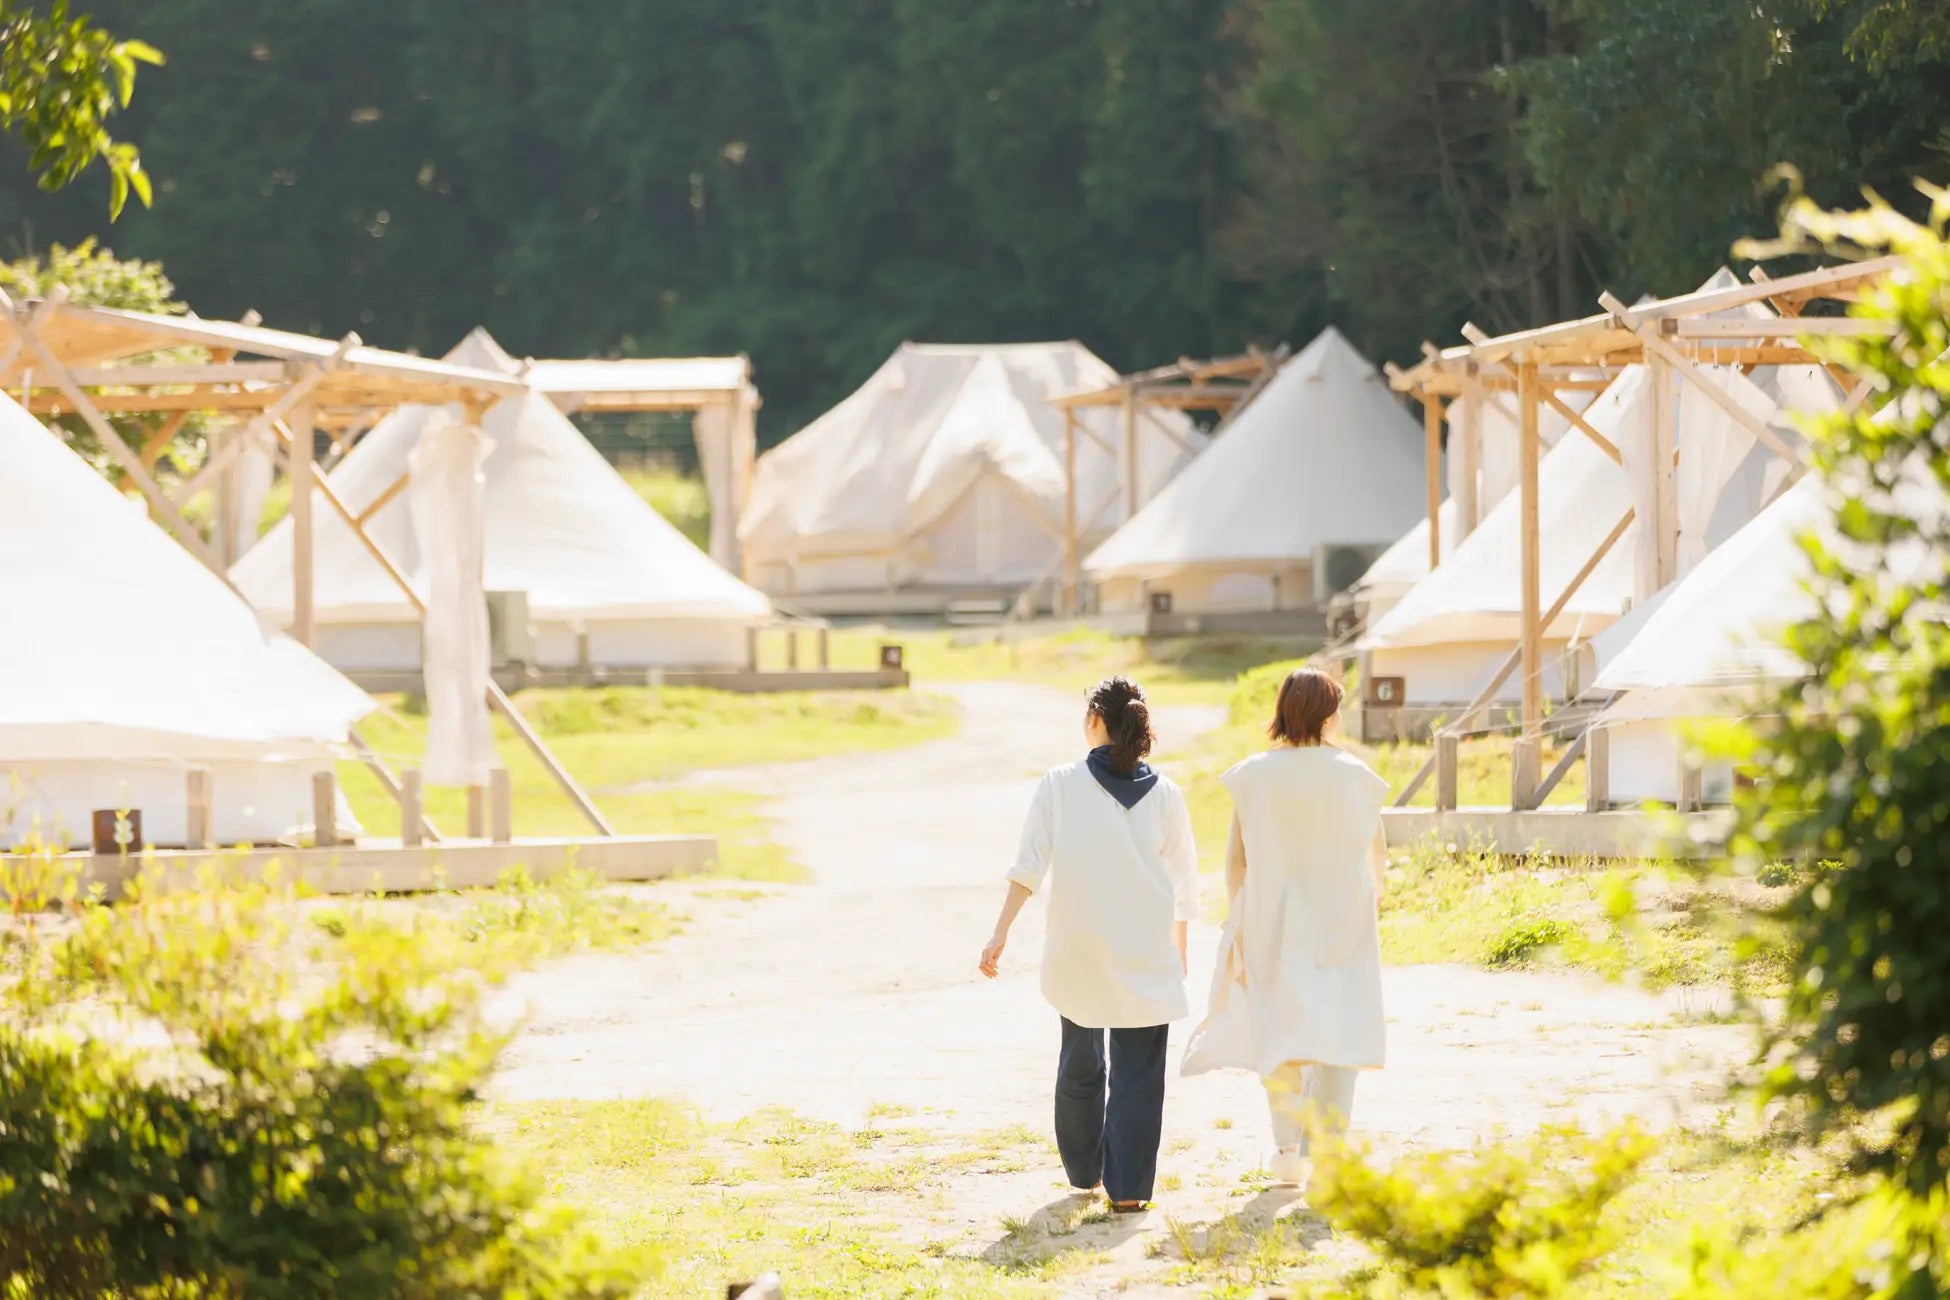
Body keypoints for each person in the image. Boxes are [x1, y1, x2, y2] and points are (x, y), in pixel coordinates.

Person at [978, 676, 1198, 1213]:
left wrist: (1000, 930)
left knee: (1081, 1060)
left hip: (1080, 946)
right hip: (1145, 946)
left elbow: (1028, 865)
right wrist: (1180, 949)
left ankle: (1084, 1174)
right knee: (1139, 1072)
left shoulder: (1059, 783)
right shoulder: (1166, 793)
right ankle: (1129, 1191)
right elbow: (1185, 885)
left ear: (1096, 719)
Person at [1182, 666, 1388, 1188]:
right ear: (1328, 713)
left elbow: (1235, 860)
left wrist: (1240, 918)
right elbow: (1377, 854)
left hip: (1272, 916)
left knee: (1280, 1031)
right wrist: (1373, 901)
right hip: (1342, 917)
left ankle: (1287, 1152)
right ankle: (1331, 1152)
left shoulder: (1253, 775)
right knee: (1338, 1028)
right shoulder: (1355, 775)